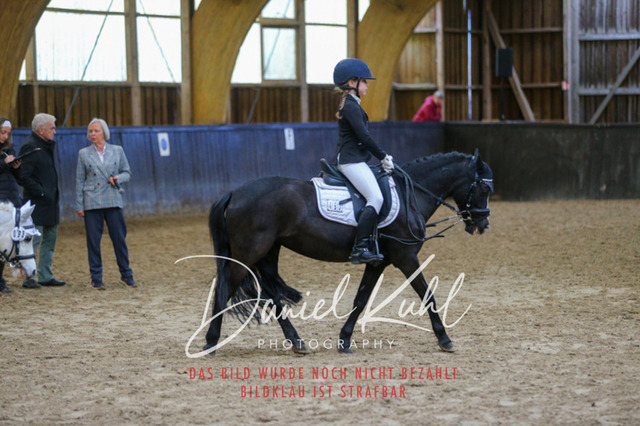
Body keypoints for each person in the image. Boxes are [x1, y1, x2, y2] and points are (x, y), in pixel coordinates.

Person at [332, 58, 394, 264]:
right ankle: (360, 248)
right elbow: (364, 137)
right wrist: (383, 156)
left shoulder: (351, 103)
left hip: (355, 159)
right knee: (375, 198)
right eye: (364, 81)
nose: (367, 85)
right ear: (352, 82)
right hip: (351, 161)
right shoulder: (350, 106)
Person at [75, 118, 136, 290]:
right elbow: (79, 180)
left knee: (119, 239)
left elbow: (127, 172)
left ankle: (126, 274)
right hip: (91, 201)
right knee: (93, 242)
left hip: (112, 199)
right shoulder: (83, 154)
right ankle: (96, 277)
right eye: (91, 131)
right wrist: (79, 205)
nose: (93, 134)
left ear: (104, 133)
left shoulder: (117, 150)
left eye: (96, 131)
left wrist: (118, 178)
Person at [19, 113, 66, 289]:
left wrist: (49, 195)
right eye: (52, 128)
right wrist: (41, 193)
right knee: (33, 241)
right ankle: (29, 277)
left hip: (50, 202)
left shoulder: (45, 146)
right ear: (40, 129)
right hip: (36, 204)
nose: (55, 131)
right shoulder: (30, 146)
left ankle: (46, 275)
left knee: (50, 240)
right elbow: (23, 176)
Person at [0, 118, 22, 293]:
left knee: (5, 241)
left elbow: (18, 178)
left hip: (11, 198)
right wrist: (4, 163)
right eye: (2, 132)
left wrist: (17, 167)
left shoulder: (10, 149)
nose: (5, 136)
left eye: (7, 133)